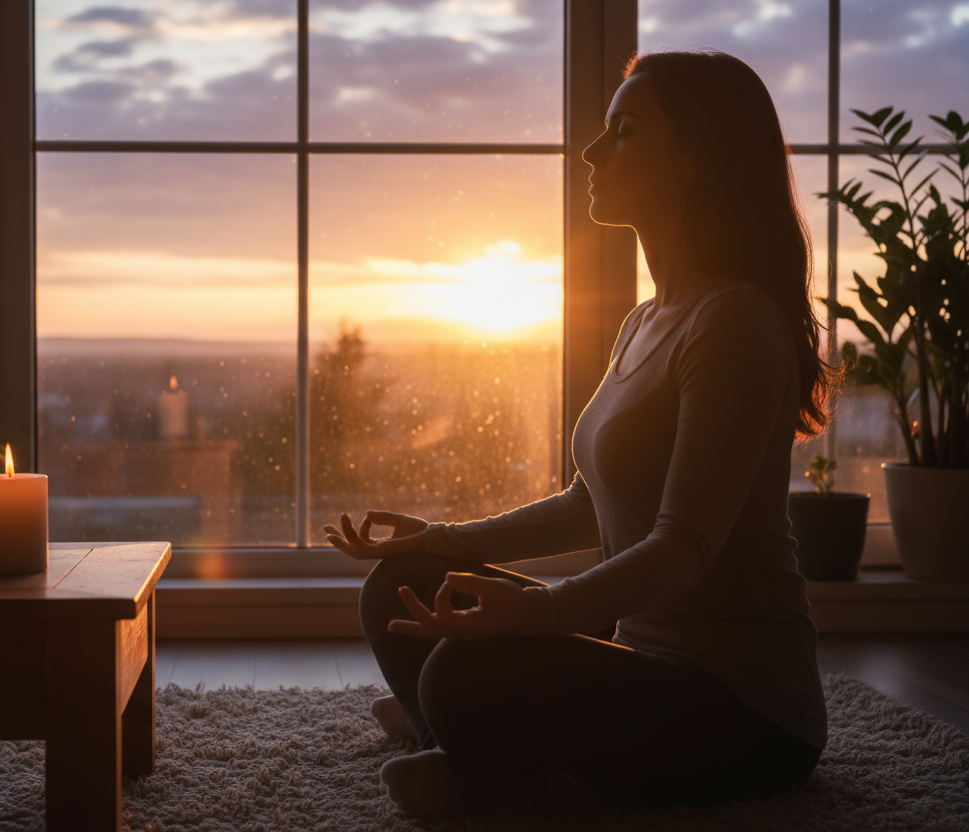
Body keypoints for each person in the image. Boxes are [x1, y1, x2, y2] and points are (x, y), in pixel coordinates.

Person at [324, 50, 834, 817]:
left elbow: (683, 549)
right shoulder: (645, 320)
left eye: (622, 132)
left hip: (743, 708)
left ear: (696, 160)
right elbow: (587, 505)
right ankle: (466, 747)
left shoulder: (734, 322)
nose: (592, 152)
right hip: (639, 653)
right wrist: (441, 538)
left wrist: (531, 614)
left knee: (465, 672)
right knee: (401, 586)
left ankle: (470, 747)